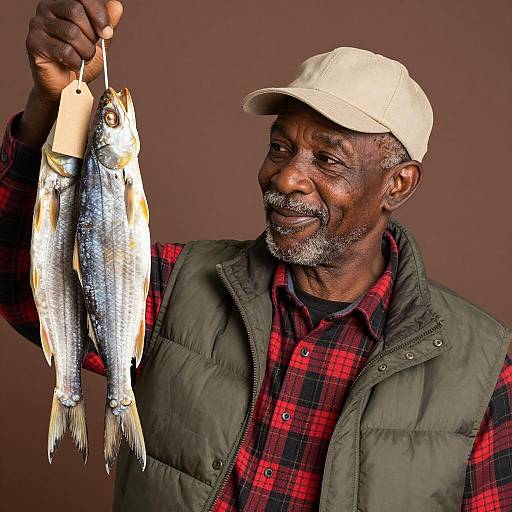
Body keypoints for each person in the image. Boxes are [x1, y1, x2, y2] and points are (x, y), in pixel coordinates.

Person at [0, 1, 510, 511]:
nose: (286, 178)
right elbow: (26, 289)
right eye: (280, 148)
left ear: (397, 184)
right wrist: (52, 102)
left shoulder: (483, 372)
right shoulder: (176, 284)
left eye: (327, 159)